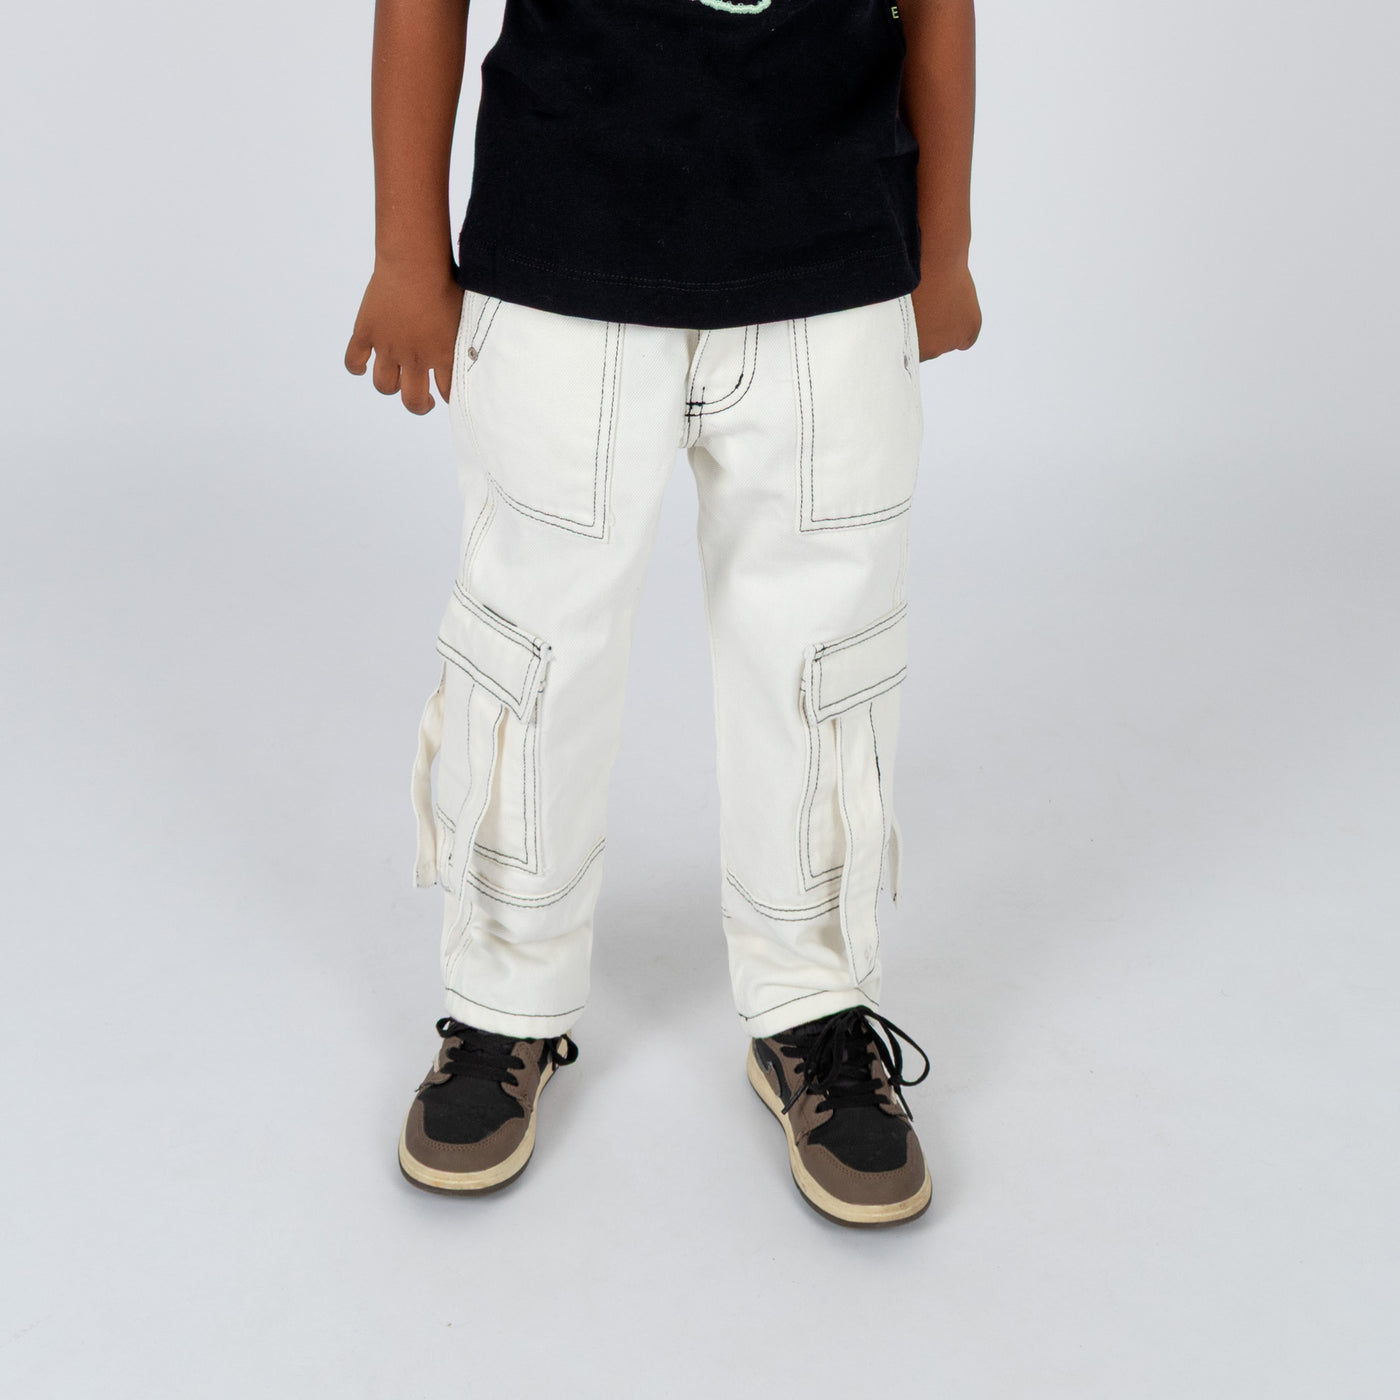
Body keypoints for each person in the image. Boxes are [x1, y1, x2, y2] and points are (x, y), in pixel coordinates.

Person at [345, 0, 980, 1228]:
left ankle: (811, 1000)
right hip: (558, 251)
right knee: (530, 650)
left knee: (822, 660)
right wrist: (405, 251)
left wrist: (943, 247)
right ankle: (503, 1000)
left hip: (833, 261)